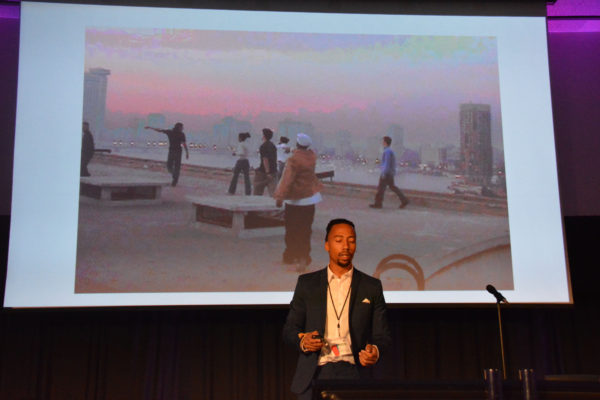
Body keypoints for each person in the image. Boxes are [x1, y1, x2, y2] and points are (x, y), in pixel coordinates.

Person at [283, 219, 392, 400]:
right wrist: (304, 341)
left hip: (354, 371)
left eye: (351, 240)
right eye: (339, 240)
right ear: (327, 245)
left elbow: (382, 336)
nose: (346, 246)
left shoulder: (370, 286)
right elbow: (289, 330)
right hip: (315, 372)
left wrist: (375, 350)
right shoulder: (307, 284)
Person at [274, 133, 323, 269]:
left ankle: (290, 255)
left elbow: (286, 180)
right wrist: (291, 150)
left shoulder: (293, 160)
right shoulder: (312, 157)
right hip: (310, 198)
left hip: (295, 200)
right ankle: (304, 257)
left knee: (291, 229)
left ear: (297, 144)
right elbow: (303, 153)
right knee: (305, 229)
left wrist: (279, 197)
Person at [370, 136, 409, 209]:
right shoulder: (389, 151)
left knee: (381, 188)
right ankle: (404, 200)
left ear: (385, 142)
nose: (382, 143)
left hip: (386, 173)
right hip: (390, 173)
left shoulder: (387, 151)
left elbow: (386, 163)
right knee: (392, 187)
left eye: (383, 141)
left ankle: (378, 204)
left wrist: (383, 173)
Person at [253, 128, 277, 196]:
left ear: (264, 136)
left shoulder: (263, 146)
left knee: (257, 193)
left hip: (263, 173)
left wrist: (267, 172)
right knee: (273, 193)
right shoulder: (273, 145)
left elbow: (265, 159)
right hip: (273, 171)